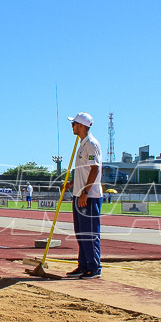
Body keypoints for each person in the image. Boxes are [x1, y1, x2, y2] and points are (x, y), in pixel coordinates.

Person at [67, 113, 103, 279]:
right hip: (79, 194)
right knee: (80, 233)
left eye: (73, 124)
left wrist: (85, 192)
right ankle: (83, 265)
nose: (72, 126)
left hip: (89, 196)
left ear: (81, 125)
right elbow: (84, 171)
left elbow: (94, 169)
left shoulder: (92, 144)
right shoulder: (82, 144)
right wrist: (72, 184)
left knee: (90, 233)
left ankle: (94, 267)